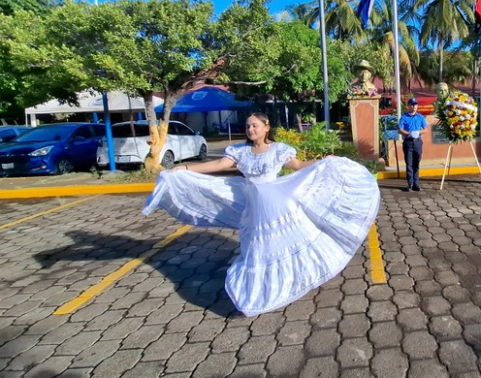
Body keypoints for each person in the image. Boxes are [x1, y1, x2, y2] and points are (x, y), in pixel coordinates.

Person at [142, 113, 380, 317]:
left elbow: (297, 166)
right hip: (253, 205)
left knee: (281, 242)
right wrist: (185, 168)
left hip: (277, 202)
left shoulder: (279, 150)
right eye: (247, 126)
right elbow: (217, 166)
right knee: (255, 245)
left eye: (255, 125)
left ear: (266, 128)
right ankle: (261, 287)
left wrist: (323, 160)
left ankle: (289, 279)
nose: (250, 129)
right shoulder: (239, 151)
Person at [398, 98, 427, 191]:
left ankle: (416, 184)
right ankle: (410, 183)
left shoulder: (420, 117)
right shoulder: (404, 117)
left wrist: (418, 132)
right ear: (408, 106)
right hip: (408, 142)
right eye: (412, 105)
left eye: (415, 105)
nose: (414, 107)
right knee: (409, 164)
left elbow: (425, 129)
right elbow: (400, 129)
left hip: (418, 142)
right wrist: (409, 133)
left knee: (416, 163)